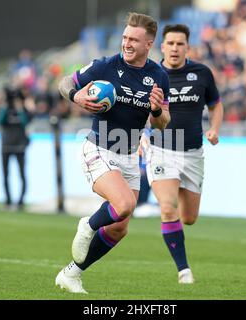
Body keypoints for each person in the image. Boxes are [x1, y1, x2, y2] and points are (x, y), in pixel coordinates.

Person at [55, 12, 170, 294]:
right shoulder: (106, 66)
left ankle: (71, 274)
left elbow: (163, 122)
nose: (127, 43)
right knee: (124, 205)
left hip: (130, 156)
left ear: (149, 44)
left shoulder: (158, 75)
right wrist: (76, 96)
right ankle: (87, 225)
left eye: (134, 39)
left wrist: (156, 109)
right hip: (97, 148)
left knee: (120, 228)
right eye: (124, 38)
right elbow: (65, 83)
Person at [144, 24, 224, 283]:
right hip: (161, 149)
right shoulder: (151, 75)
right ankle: (184, 271)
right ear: (162, 46)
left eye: (180, 44)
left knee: (188, 218)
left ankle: (177, 197)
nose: (175, 48)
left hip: (192, 152)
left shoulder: (201, 73)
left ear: (187, 47)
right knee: (168, 208)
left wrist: (214, 128)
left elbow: (215, 104)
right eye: (170, 43)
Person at [0, 86, 35, 211]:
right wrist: (4, 105)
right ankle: (8, 200)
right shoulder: (5, 109)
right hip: (6, 146)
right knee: (5, 175)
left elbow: (26, 122)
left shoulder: (23, 109)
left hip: (20, 146)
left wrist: (20, 108)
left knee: (22, 175)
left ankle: (21, 201)